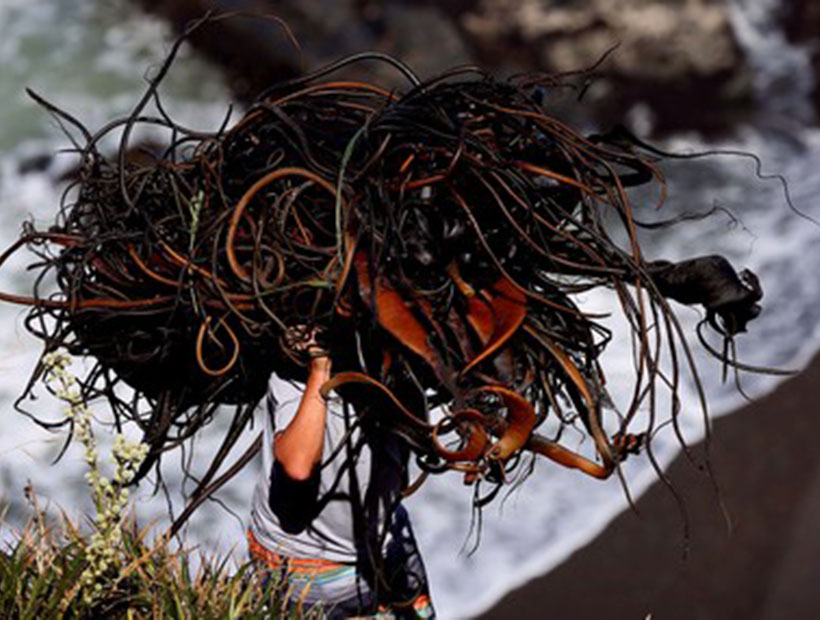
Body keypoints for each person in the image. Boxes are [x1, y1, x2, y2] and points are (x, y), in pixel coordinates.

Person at [248, 326, 435, 618]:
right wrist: (319, 372)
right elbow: (297, 467)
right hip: (310, 572)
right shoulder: (292, 381)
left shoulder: (392, 374)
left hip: (388, 540)